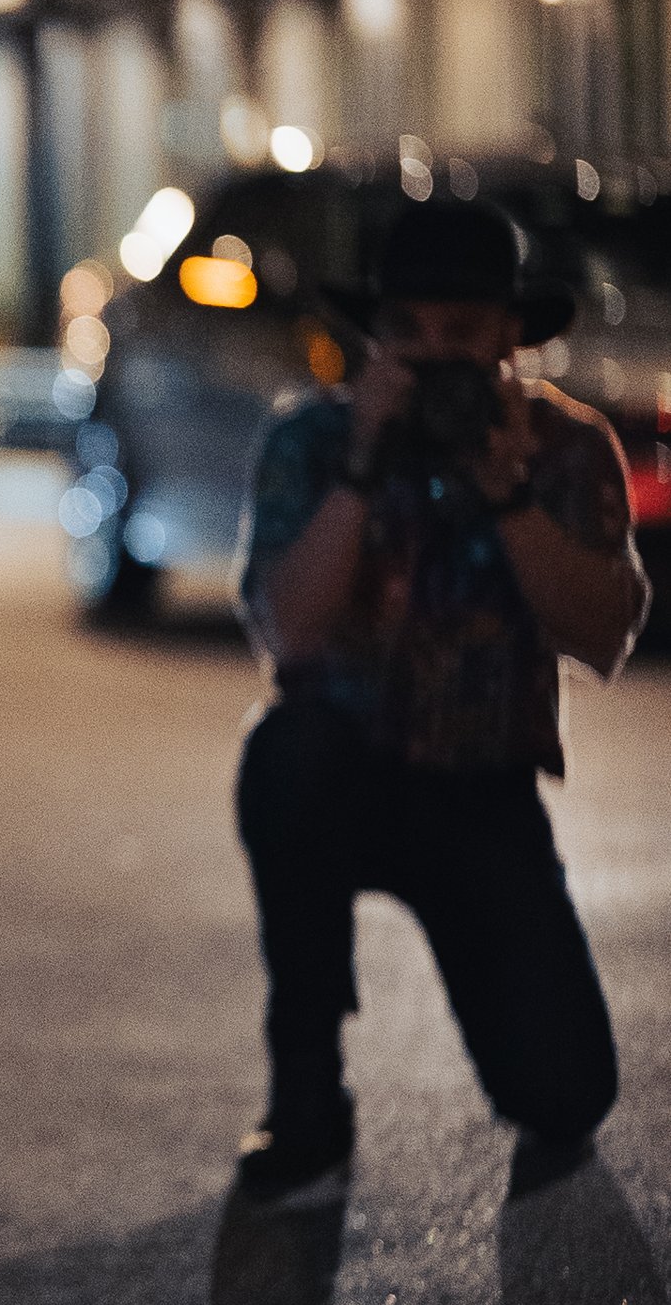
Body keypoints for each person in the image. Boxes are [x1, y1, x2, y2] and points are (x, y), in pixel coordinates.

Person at [233, 190, 648, 1206]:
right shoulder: (310, 442)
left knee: (564, 1097)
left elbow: (603, 637)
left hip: (483, 795)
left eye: (459, 335)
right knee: (285, 750)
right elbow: (288, 629)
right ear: (372, 337)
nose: (430, 359)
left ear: (511, 335)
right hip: (344, 773)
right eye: (405, 333)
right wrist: (363, 467)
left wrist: (506, 490)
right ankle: (306, 1091)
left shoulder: (562, 447)